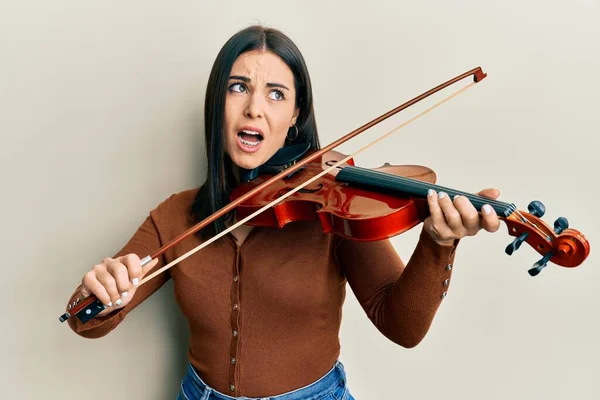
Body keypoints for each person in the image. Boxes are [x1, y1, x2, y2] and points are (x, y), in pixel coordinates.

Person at [65, 25, 501, 400]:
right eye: (239, 87)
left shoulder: (334, 207)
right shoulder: (175, 216)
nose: (255, 107)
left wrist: (439, 243)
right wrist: (100, 294)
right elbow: (89, 322)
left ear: (295, 116)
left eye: (276, 94)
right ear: (217, 103)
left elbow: (402, 326)